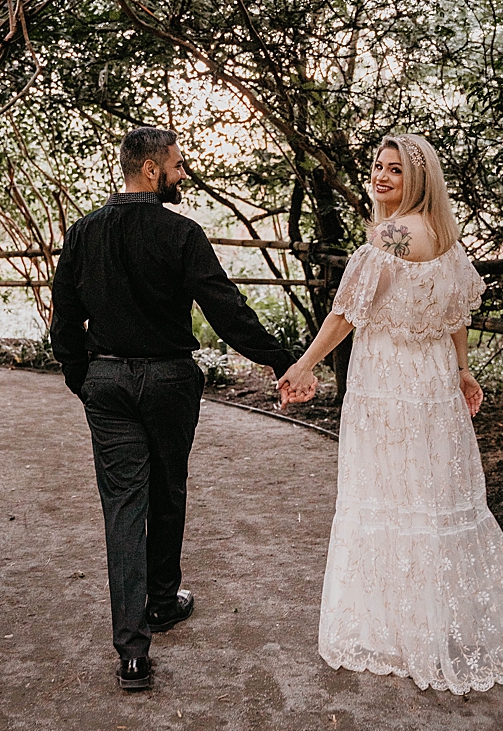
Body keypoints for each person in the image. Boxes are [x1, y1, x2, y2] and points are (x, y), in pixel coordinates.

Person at [278, 133, 503, 694]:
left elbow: (347, 313)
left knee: (392, 495)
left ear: (417, 179)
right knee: (431, 496)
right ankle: (431, 627)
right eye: (376, 166)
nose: (381, 176)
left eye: (394, 170)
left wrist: (303, 366)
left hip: (389, 383)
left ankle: (403, 633)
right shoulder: (444, 235)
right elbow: (456, 313)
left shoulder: (391, 235)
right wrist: (465, 369)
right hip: (435, 381)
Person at [50, 126, 297, 691]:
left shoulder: (83, 233)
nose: (183, 175)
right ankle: (161, 603)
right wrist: (282, 361)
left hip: (107, 378)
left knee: (121, 509)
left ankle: (133, 651)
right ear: (152, 170)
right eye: (178, 167)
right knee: (168, 489)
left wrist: (84, 380)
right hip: (167, 380)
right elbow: (227, 311)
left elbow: (64, 321)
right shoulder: (182, 233)